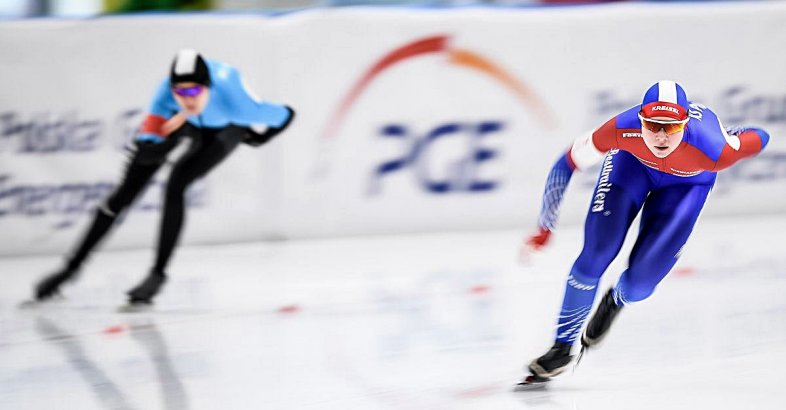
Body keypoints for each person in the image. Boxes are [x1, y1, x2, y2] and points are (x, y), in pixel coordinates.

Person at [516, 80, 770, 387]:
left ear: (685, 124)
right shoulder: (620, 129)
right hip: (630, 168)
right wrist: (545, 227)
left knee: (640, 282)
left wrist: (731, 137)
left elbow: (761, 136)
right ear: (640, 120)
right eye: (652, 125)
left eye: (671, 128)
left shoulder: (714, 147)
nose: (661, 136)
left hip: (686, 186)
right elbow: (565, 163)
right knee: (596, 253)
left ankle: (616, 300)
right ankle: (561, 348)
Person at [31, 49, 295, 308]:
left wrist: (261, 137)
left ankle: (157, 274)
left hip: (224, 130)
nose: (187, 98)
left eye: (193, 91)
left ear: (208, 86)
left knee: (176, 184)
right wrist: (148, 148)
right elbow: (150, 138)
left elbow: (286, 114)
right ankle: (71, 267)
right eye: (180, 91)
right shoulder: (165, 97)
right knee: (125, 192)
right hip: (180, 123)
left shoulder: (237, 104)